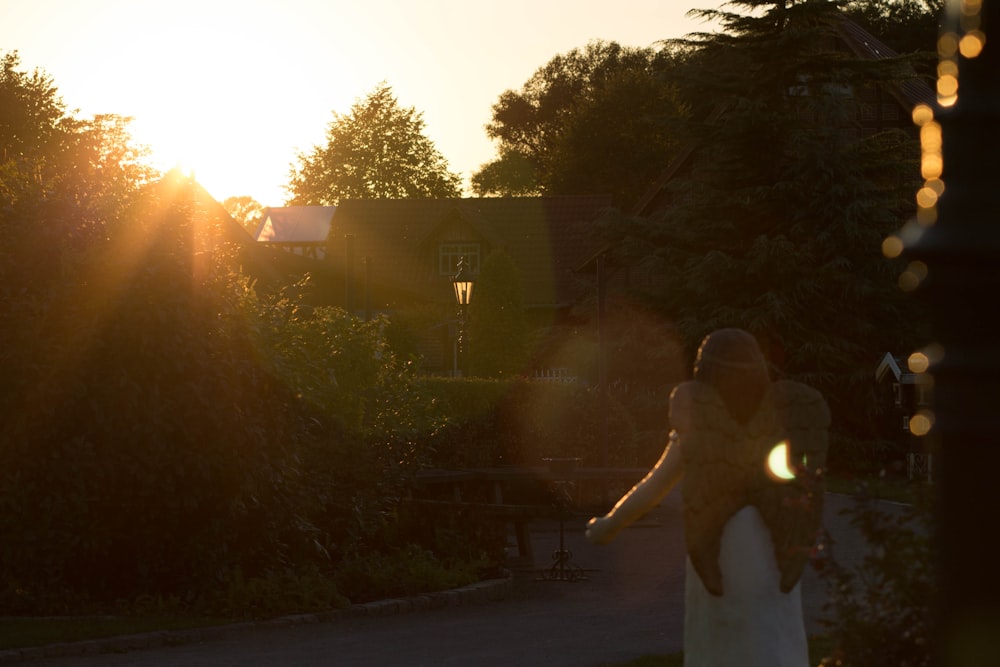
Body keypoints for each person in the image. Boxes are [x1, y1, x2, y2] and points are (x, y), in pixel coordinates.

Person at [586, 328, 829, 667]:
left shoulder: (698, 417)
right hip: (775, 545)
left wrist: (610, 524)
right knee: (773, 633)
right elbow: (804, 485)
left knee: (718, 641)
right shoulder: (782, 420)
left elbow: (655, 485)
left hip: (719, 542)